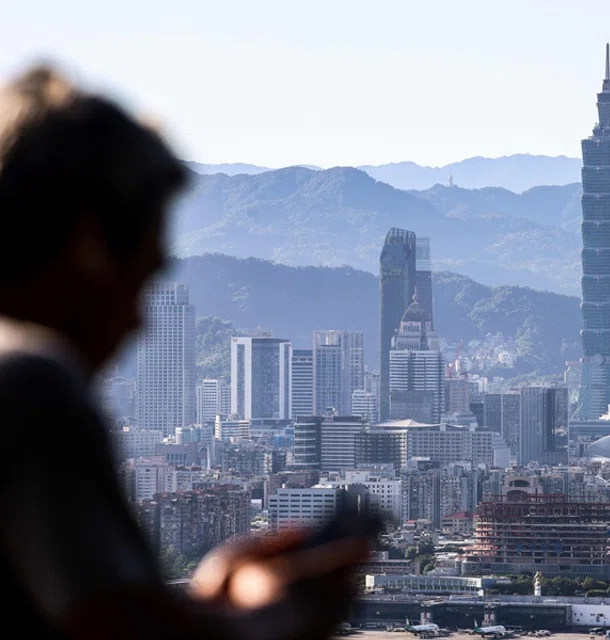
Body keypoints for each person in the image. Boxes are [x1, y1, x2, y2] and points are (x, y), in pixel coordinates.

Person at [0, 65, 372, 639]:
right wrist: (290, 610)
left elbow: (103, 612)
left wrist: (212, 592)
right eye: (140, 280)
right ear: (90, 247)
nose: (136, 320)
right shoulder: (31, 385)